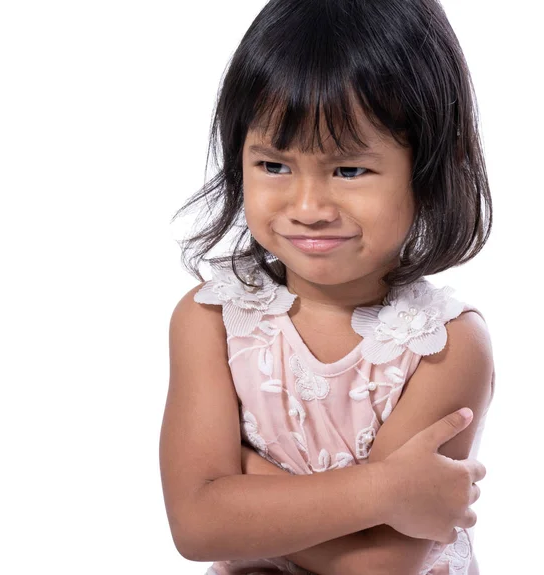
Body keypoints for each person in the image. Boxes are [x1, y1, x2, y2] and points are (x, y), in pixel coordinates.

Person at [160, 0, 495, 573]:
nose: (309, 207)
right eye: (274, 165)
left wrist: (240, 494)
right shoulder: (211, 320)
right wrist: (383, 492)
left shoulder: (444, 348)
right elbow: (194, 526)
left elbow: (378, 565)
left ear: (430, 167)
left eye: (348, 170)